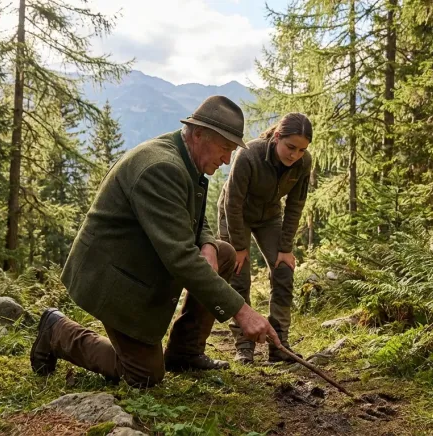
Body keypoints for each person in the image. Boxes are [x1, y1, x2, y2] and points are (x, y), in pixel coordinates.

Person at [30, 96, 281, 388]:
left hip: (140, 259)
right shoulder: (162, 168)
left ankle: (185, 353)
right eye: (225, 147)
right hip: (113, 275)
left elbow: (193, 215)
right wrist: (242, 311)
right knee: (144, 374)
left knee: (222, 253)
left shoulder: (187, 159)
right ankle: (57, 331)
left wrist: (208, 244)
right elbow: (181, 258)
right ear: (199, 134)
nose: (227, 159)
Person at [217, 113, 312, 364]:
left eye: (301, 150)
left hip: (269, 216)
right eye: (290, 147)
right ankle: (244, 346)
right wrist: (239, 247)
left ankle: (279, 345)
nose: (295, 155)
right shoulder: (249, 154)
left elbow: (295, 206)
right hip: (235, 214)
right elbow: (232, 202)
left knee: (284, 271)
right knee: (239, 276)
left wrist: (285, 248)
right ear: (277, 137)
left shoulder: (303, 163)